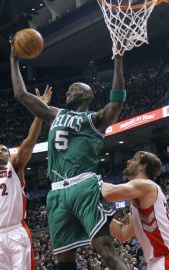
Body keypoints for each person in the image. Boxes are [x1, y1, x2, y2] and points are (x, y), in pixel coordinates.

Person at [10, 44, 128, 270]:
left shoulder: (94, 119)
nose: (67, 92)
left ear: (86, 94)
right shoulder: (55, 114)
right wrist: (14, 58)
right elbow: (21, 94)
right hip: (57, 193)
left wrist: (117, 61)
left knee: (105, 249)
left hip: (84, 185)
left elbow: (116, 103)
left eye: (72, 89)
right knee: (64, 262)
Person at [0, 87, 52, 270]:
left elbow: (28, 143)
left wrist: (39, 111)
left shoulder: (14, 167)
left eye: (4, 150)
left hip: (15, 231)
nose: (0, 152)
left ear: (8, 154)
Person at [102, 151, 169, 270]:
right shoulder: (142, 203)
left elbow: (108, 193)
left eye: (134, 159)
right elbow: (122, 234)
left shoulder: (147, 186)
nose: (128, 161)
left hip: (164, 258)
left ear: (143, 166)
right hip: (157, 261)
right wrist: (100, 212)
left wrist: (87, 181)